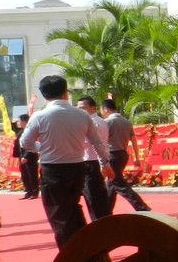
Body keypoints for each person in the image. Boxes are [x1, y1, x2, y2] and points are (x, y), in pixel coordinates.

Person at [20, 76, 113, 248]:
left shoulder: (39, 116)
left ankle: (71, 255)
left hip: (53, 170)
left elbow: (25, 143)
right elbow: (97, 142)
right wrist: (105, 163)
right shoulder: (82, 115)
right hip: (78, 167)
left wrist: (43, 147)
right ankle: (86, 247)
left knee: (59, 214)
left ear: (43, 94)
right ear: (65, 92)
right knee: (73, 208)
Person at [100, 99, 150, 212]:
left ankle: (141, 206)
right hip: (123, 154)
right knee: (111, 183)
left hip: (112, 155)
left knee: (117, 182)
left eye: (101, 109)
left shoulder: (107, 122)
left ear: (105, 109)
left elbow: (101, 141)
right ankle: (106, 210)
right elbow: (134, 140)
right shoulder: (126, 122)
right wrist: (137, 157)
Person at [76, 96, 113, 221]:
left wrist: (103, 164)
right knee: (97, 198)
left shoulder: (92, 122)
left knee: (93, 199)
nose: (79, 110)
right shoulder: (100, 121)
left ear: (92, 107)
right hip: (94, 161)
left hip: (91, 163)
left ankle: (99, 227)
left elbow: (96, 144)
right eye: (78, 108)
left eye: (82, 108)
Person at [12, 114, 39, 199]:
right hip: (21, 155)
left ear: (24, 121)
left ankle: (34, 192)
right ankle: (28, 191)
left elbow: (32, 144)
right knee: (24, 174)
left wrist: (26, 156)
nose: (18, 123)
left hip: (30, 155)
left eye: (19, 121)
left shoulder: (30, 130)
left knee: (31, 174)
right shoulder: (21, 131)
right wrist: (13, 122)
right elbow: (14, 129)